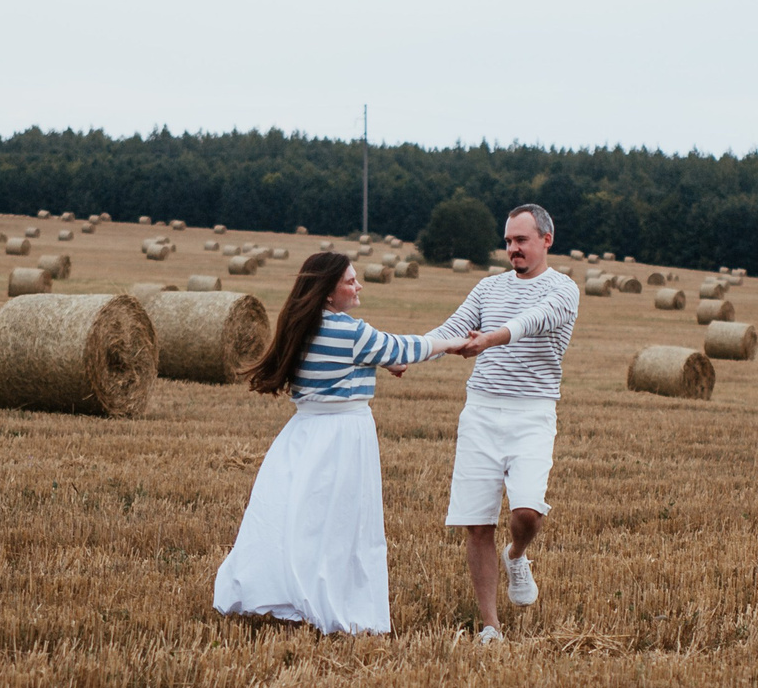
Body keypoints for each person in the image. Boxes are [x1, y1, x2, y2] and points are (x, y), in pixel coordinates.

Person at [213, 251, 470, 636]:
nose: (359, 285)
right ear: (328, 292)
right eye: (350, 281)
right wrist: (451, 343)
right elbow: (403, 349)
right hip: (343, 435)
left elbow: (375, 355)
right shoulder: (350, 331)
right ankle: (332, 603)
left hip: (303, 432)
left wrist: (382, 360)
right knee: (344, 525)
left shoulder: (301, 326)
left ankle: (283, 592)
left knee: (296, 519)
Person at [431, 203, 580, 645]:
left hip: (532, 413)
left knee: (526, 512)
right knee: (478, 523)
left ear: (546, 240)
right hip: (480, 411)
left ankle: (516, 554)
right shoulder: (488, 287)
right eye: (509, 241)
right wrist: (413, 354)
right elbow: (453, 328)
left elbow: (532, 322)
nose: (513, 248)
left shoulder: (563, 289)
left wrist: (490, 338)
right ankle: (490, 626)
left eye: (522, 240)